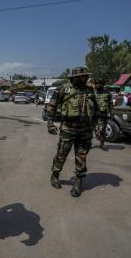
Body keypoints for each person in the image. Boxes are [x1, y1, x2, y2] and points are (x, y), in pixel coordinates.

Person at [46, 66, 97, 197]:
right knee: (62, 153)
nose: (85, 78)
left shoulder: (90, 91)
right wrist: (50, 123)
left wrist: (96, 125)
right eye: (82, 76)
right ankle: (55, 175)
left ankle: (78, 181)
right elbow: (51, 106)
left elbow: (96, 110)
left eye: (86, 76)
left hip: (85, 130)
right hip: (68, 128)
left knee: (82, 155)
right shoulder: (62, 90)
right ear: (74, 78)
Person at [94, 78, 113, 151]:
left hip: (103, 114)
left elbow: (110, 104)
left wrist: (112, 113)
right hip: (92, 114)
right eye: (97, 83)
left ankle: (102, 144)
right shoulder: (92, 92)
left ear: (103, 84)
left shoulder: (107, 93)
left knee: (102, 130)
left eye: (100, 84)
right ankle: (88, 143)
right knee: (89, 130)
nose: (98, 85)